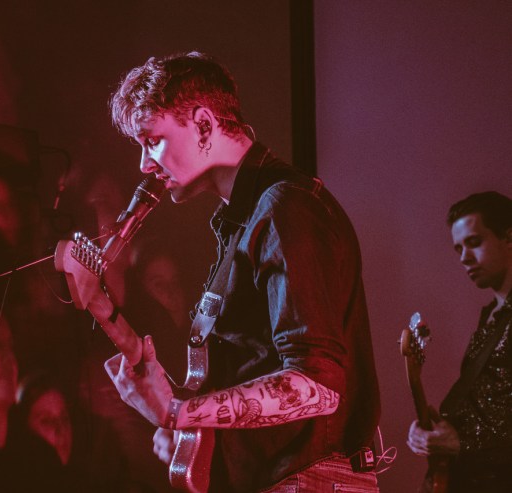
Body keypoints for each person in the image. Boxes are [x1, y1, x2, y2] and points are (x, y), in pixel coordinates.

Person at [75, 51, 381, 492]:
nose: (144, 164)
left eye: (152, 140)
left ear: (203, 124)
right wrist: (183, 416)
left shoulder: (286, 208)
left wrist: (180, 413)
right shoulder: (243, 222)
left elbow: (317, 386)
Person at [407, 191, 512, 492]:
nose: (464, 257)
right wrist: (430, 432)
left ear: (509, 238)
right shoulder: (492, 316)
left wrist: (463, 441)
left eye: (474, 242)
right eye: (458, 248)